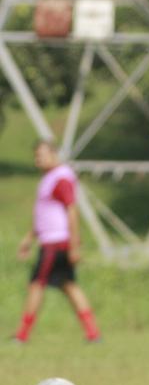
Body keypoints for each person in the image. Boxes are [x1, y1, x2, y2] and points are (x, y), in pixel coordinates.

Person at [13, 141, 100, 343]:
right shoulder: (49, 179)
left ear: (54, 154)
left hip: (55, 242)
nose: (38, 160)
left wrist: (74, 245)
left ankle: (22, 335)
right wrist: (29, 237)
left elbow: (71, 210)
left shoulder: (61, 178)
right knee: (68, 285)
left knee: (36, 285)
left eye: (42, 155)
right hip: (51, 240)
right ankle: (93, 333)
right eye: (36, 156)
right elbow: (45, 215)